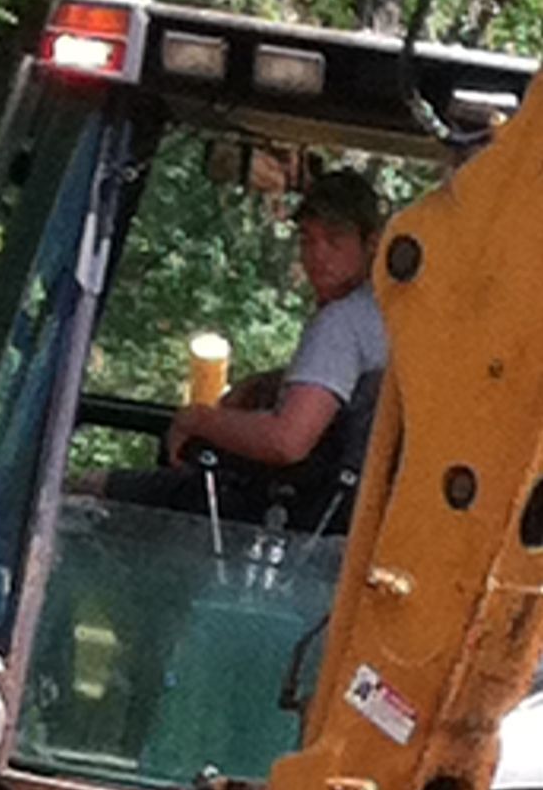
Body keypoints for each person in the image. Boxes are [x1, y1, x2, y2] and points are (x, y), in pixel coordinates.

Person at [101, 168, 388, 530]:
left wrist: (196, 418)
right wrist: (272, 380)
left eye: (334, 241)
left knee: (91, 490)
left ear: (373, 243)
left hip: (288, 510)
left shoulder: (341, 323)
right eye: (306, 240)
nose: (317, 255)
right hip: (337, 516)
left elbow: (287, 440)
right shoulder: (389, 317)